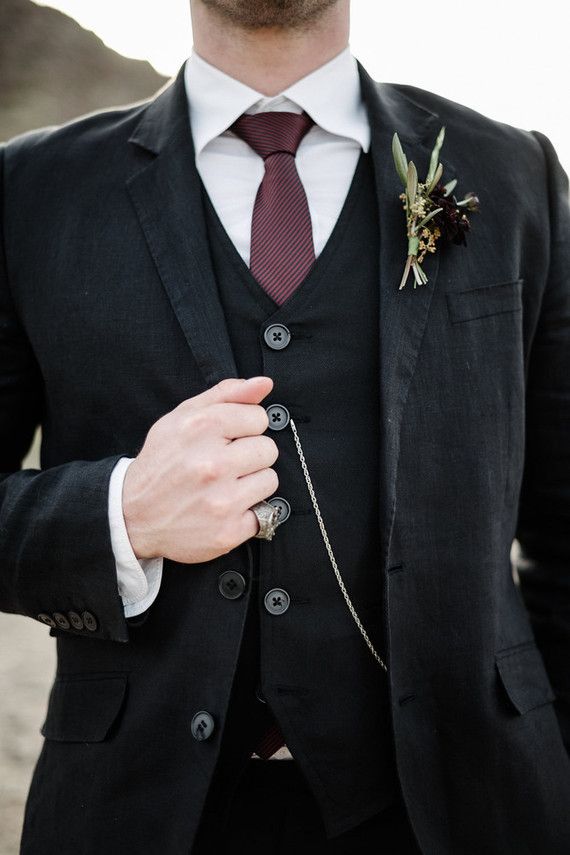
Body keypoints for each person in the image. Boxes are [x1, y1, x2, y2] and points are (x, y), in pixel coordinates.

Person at [1, 0, 569, 852]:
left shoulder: (516, 172)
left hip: (469, 805)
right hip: (136, 812)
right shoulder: (29, 190)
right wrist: (118, 515)